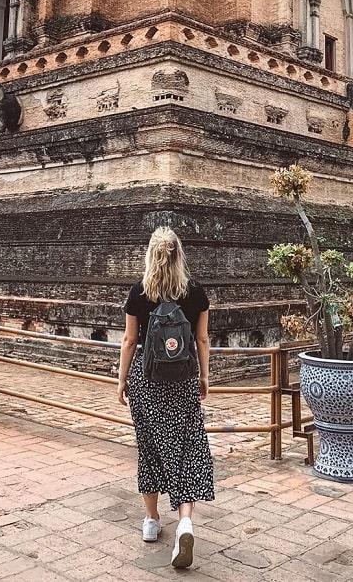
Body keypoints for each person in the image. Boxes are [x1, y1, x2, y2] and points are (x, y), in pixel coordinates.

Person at [117, 226, 214, 569]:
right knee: (186, 449)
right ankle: (185, 521)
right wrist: (203, 376)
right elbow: (202, 340)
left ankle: (151, 520)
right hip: (184, 381)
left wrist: (121, 379)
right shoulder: (196, 293)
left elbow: (129, 341)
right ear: (179, 255)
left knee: (150, 447)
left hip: (147, 382)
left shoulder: (138, 293)